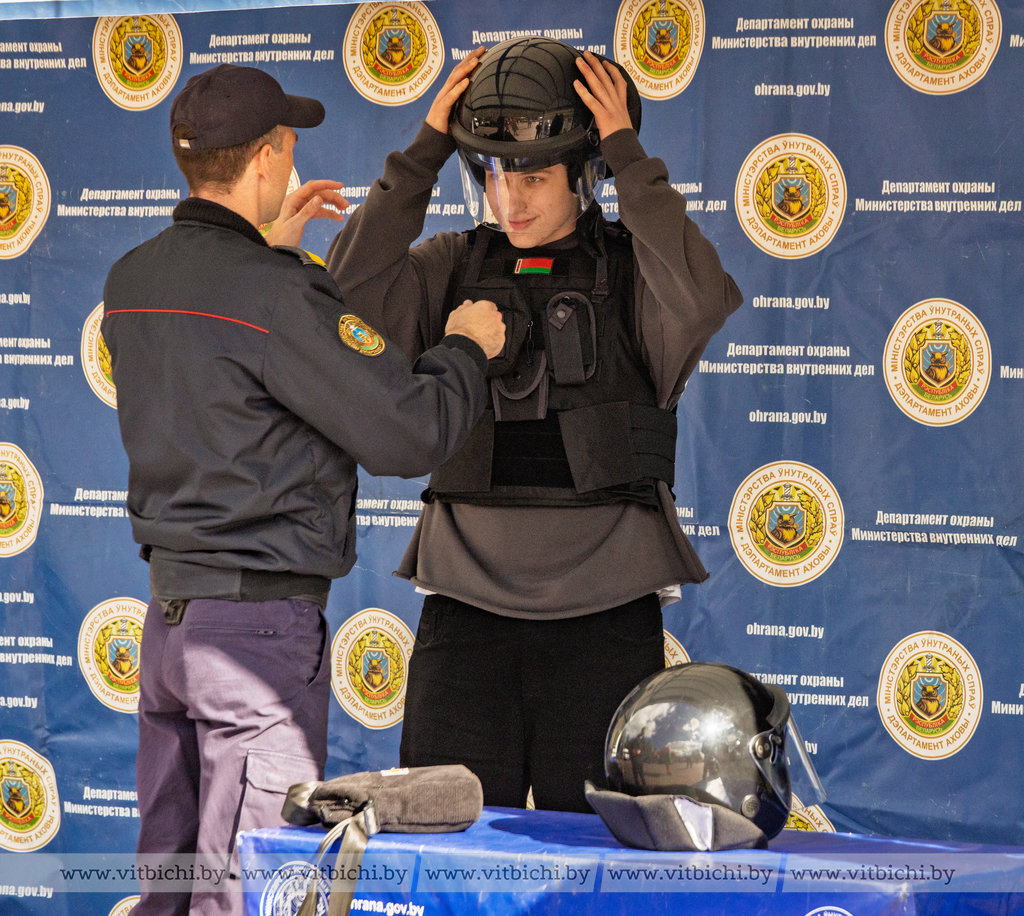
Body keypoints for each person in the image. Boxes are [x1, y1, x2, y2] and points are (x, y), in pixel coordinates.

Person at [101, 63, 505, 916]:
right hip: (252, 639)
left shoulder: (132, 279)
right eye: (288, 145)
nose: (292, 161)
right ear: (265, 159)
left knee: (168, 890)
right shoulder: (280, 294)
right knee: (251, 894)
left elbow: (221, 374)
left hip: (169, 631)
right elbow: (408, 431)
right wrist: (467, 346)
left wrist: (268, 257)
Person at [325, 36, 743, 814]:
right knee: (441, 847)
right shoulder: (451, 264)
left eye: (533, 176)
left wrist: (625, 154)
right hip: (464, 618)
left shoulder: (636, 272)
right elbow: (343, 296)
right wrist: (423, 153)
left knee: (593, 856)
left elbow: (702, 296)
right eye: (493, 173)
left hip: (604, 626)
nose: (509, 199)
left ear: (582, 174)